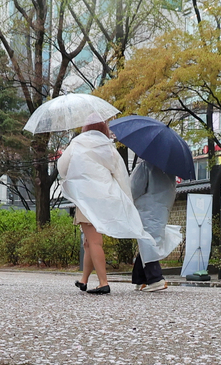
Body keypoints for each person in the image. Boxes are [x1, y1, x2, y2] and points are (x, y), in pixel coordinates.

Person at [56, 119, 151, 295]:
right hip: (104, 199)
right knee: (88, 242)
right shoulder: (109, 148)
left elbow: (62, 167)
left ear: (85, 129)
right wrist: (125, 200)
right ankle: (84, 280)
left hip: (85, 198)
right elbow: (121, 175)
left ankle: (103, 282)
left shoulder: (77, 144)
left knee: (94, 241)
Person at [129, 159, 180, 292]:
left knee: (148, 241)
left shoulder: (145, 166)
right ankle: (140, 280)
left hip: (146, 208)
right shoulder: (170, 170)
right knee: (149, 240)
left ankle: (155, 278)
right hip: (162, 208)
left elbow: (133, 189)